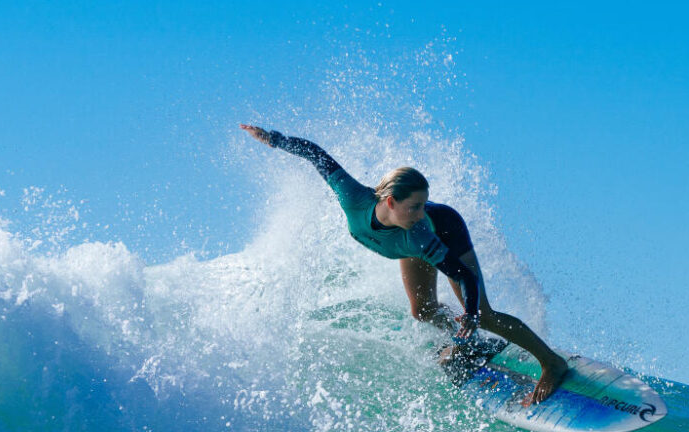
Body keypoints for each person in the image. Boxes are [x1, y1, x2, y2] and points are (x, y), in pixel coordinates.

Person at [241, 124, 569, 405]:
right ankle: (465, 342)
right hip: (406, 243)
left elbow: (464, 275)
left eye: (424, 204)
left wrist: (470, 314)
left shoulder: (421, 232)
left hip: (449, 232)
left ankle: (551, 363)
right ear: (390, 202)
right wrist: (273, 138)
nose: (421, 212)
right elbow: (316, 155)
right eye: (414, 206)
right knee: (422, 310)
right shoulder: (354, 198)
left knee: (483, 313)